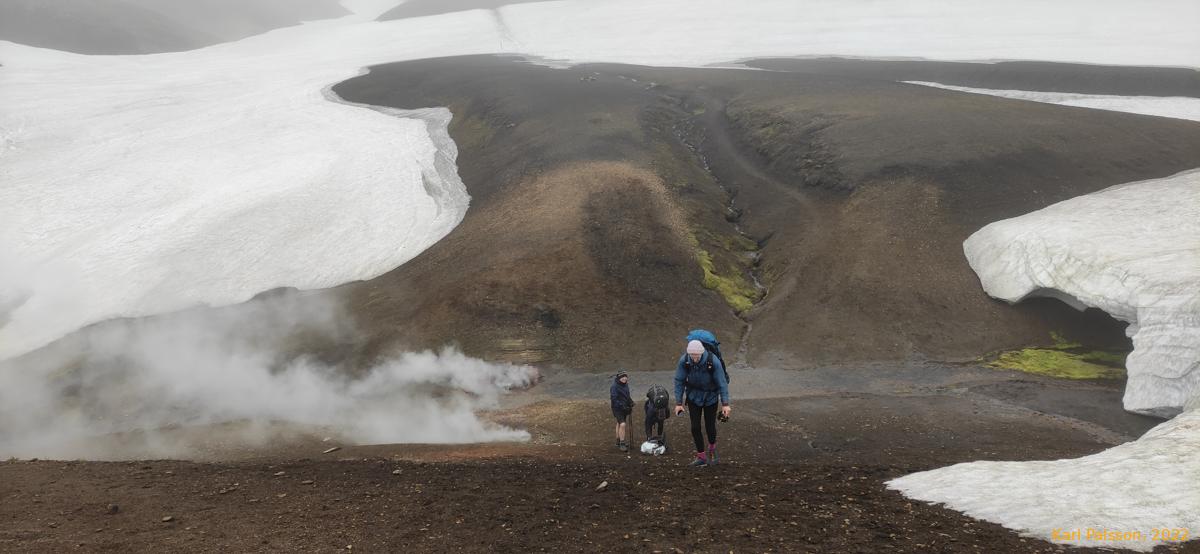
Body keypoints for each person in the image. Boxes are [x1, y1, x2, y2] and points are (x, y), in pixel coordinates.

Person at [674, 340, 731, 466]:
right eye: (692, 355)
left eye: (697, 356)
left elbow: (722, 383)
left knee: (710, 426)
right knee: (695, 427)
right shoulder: (685, 361)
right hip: (693, 396)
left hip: (711, 396)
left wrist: (725, 404)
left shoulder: (713, 361)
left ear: (702, 352)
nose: (694, 358)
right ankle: (701, 457)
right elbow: (679, 380)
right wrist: (678, 402)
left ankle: (712, 449)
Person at [610, 370, 633, 452]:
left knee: (619, 423)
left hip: (625, 407)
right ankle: (622, 443)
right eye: (622, 377)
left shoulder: (625, 384)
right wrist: (622, 406)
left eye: (625, 377)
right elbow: (614, 399)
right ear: (619, 378)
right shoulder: (614, 387)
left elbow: (627, 395)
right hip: (617, 408)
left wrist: (630, 402)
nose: (624, 378)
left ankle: (618, 441)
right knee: (622, 424)